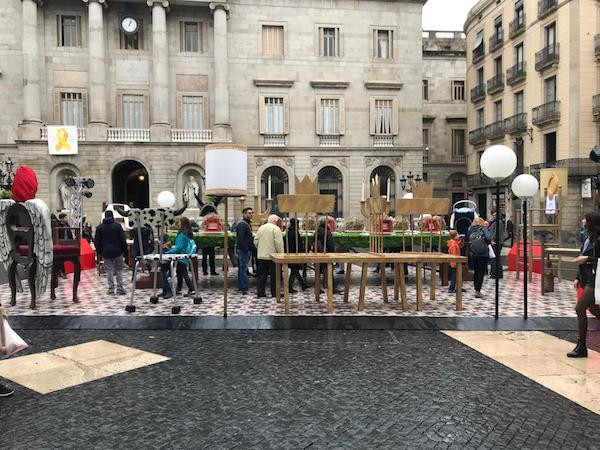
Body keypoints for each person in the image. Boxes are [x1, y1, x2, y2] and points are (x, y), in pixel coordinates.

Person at [568, 212, 600, 357]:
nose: (582, 221)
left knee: (580, 308)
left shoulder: (598, 240)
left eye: (585, 219)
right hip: (586, 278)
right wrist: (577, 277)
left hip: (595, 280)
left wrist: (587, 258)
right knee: (593, 308)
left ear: (590, 222)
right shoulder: (587, 238)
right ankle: (581, 346)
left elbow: (591, 258)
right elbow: (582, 258)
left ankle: (582, 346)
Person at [160, 217, 197, 299]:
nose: (178, 224)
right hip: (184, 257)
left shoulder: (182, 235)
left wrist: (168, 252)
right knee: (179, 273)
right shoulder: (186, 234)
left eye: (179, 222)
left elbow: (178, 248)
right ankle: (178, 289)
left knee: (184, 273)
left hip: (181, 257)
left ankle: (191, 289)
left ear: (183, 224)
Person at [94, 210, 128, 295]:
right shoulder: (117, 226)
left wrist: (99, 252)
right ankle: (120, 288)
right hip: (118, 251)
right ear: (113, 216)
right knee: (119, 269)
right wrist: (124, 250)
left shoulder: (99, 227)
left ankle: (111, 288)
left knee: (109, 270)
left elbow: (96, 241)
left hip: (106, 251)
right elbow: (123, 239)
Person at [254, 214, 284, 298]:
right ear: (275, 221)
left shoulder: (261, 228)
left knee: (261, 275)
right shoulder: (276, 229)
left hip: (261, 255)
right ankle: (274, 293)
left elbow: (255, 241)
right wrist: (281, 254)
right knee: (274, 276)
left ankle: (260, 293)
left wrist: (260, 249)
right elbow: (278, 243)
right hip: (273, 256)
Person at [466, 217, 491, 298]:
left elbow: (467, 240)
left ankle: (475, 288)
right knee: (481, 272)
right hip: (483, 254)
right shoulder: (483, 229)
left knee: (476, 271)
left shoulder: (470, 229)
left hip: (473, 253)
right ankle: (478, 290)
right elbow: (489, 238)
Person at [316, 217, 339, 293]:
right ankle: (331, 288)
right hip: (327, 254)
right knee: (329, 271)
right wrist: (332, 253)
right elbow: (330, 244)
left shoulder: (317, 231)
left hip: (318, 254)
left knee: (318, 272)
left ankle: (318, 288)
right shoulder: (327, 232)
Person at [286, 218, 308, 292]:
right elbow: (299, 244)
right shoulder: (295, 232)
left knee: (295, 271)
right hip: (295, 253)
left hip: (291, 253)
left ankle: (303, 284)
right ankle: (290, 288)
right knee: (294, 271)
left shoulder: (289, 232)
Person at [236, 207, 254, 294]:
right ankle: (244, 287)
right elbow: (241, 238)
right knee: (243, 269)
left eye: (251, 213)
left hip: (244, 249)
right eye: (249, 213)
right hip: (243, 250)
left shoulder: (247, 223)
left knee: (242, 268)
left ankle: (241, 287)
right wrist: (246, 249)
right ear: (244, 214)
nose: (251, 215)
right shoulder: (242, 224)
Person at [488, 211, 505, 279]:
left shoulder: (498, 222)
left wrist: (492, 240)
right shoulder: (495, 222)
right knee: (496, 258)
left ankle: (496, 274)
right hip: (496, 241)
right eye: (493, 215)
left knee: (495, 258)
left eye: (495, 215)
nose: (494, 216)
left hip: (496, 242)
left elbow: (496, 232)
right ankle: (497, 273)